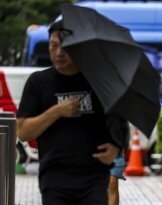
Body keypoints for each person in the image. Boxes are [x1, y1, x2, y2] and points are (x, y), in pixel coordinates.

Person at [16, 20, 123, 204]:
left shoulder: (99, 82)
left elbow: (118, 126)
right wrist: (57, 111)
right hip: (55, 178)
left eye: (65, 47)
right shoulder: (38, 82)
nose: (58, 53)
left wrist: (116, 148)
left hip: (93, 179)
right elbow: (23, 132)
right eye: (53, 45)